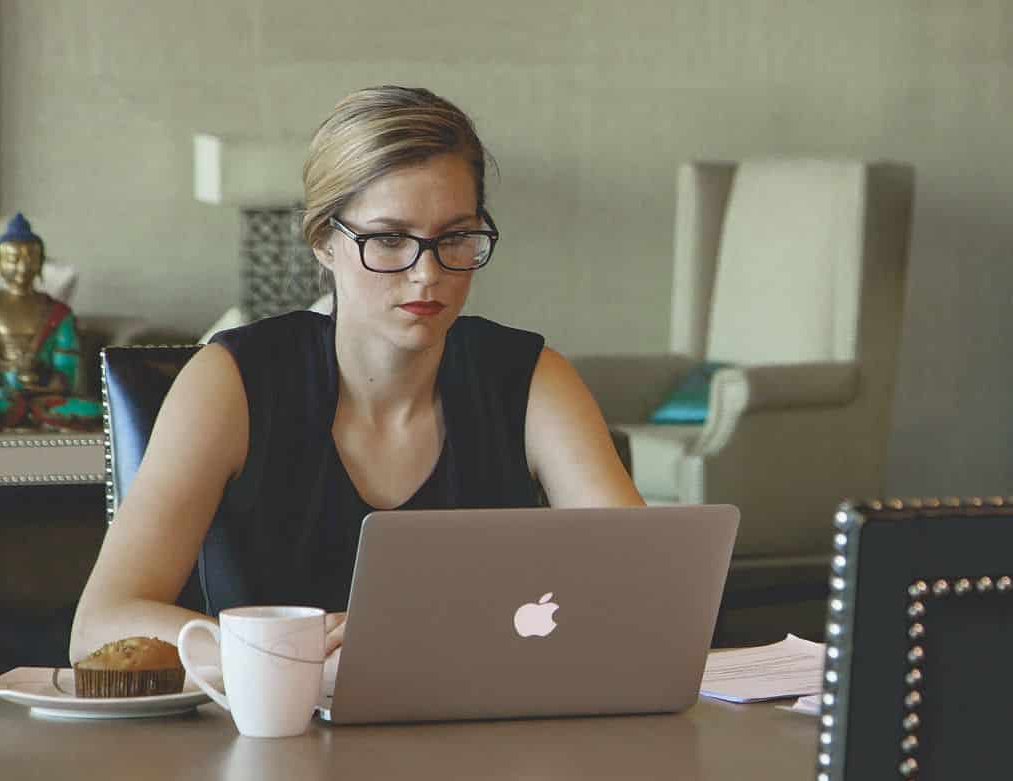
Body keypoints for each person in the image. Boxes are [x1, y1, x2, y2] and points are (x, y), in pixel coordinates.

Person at [70, 87, 642, 663]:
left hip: (479, 734)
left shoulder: (532, 378)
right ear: (324, 241)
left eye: (455, 238)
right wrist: (282, 650)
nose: (426, 274)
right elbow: (101, 624)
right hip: (269, 736)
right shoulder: (230, 381)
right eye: (389, 239)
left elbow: (647, 588)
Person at [0, 212, 101, 432]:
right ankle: (29, 416)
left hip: (46, 399)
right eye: (13, 259)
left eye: (30, 259)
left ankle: (25, 415)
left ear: (41, 262)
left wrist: (43, 382)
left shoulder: (58, 313)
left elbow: (66, 370)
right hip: (0, 397)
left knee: (95, 410)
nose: (22, 267)